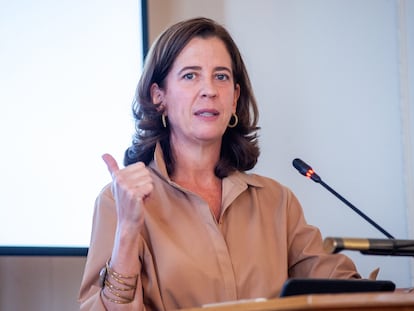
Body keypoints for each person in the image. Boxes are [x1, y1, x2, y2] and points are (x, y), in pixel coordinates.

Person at [79, 17, 360, 311]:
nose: (209, 90)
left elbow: (340, 285)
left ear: (235, 98)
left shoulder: (277, 202)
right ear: (158, 96)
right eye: (190, 76)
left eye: (221, 76)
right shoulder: (119, 202)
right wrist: (127, 230)